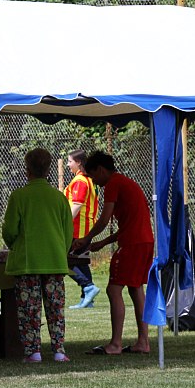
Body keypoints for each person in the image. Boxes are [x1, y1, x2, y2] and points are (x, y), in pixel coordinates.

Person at [72, 151, 153, 356]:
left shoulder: (113, 184)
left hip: (132, 244)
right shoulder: (126, 183)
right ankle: (143, 342)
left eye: (93, 176)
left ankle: (115, 344)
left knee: (113, 289)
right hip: (145, 241)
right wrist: (102, 243)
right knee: (136, 289)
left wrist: (87, 238)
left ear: (100, 170)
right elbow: (129, 225)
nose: (94, 181)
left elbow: (104, 219)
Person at [2, 148, 74, 363]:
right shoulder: (59, 198)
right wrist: (60, 250)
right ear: (49, 169)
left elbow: (9, 231)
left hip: (27, 262)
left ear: (27, 170)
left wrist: (15, 244)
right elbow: (68, 232)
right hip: (54, 261)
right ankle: (59, 350)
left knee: (29, 310)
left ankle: (33, 351)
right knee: (55, 308)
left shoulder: (19, 197)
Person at [63, 150, 101, 309]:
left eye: (70, 161)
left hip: (77, 229)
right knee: (82, 263)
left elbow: (77, 205)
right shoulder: (91, 180)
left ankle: (88, 287)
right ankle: (87, 299)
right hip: (87, 228)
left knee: (65, 260)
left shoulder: (79, 181)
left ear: (78, 162)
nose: (67, 164)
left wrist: (63, 223)